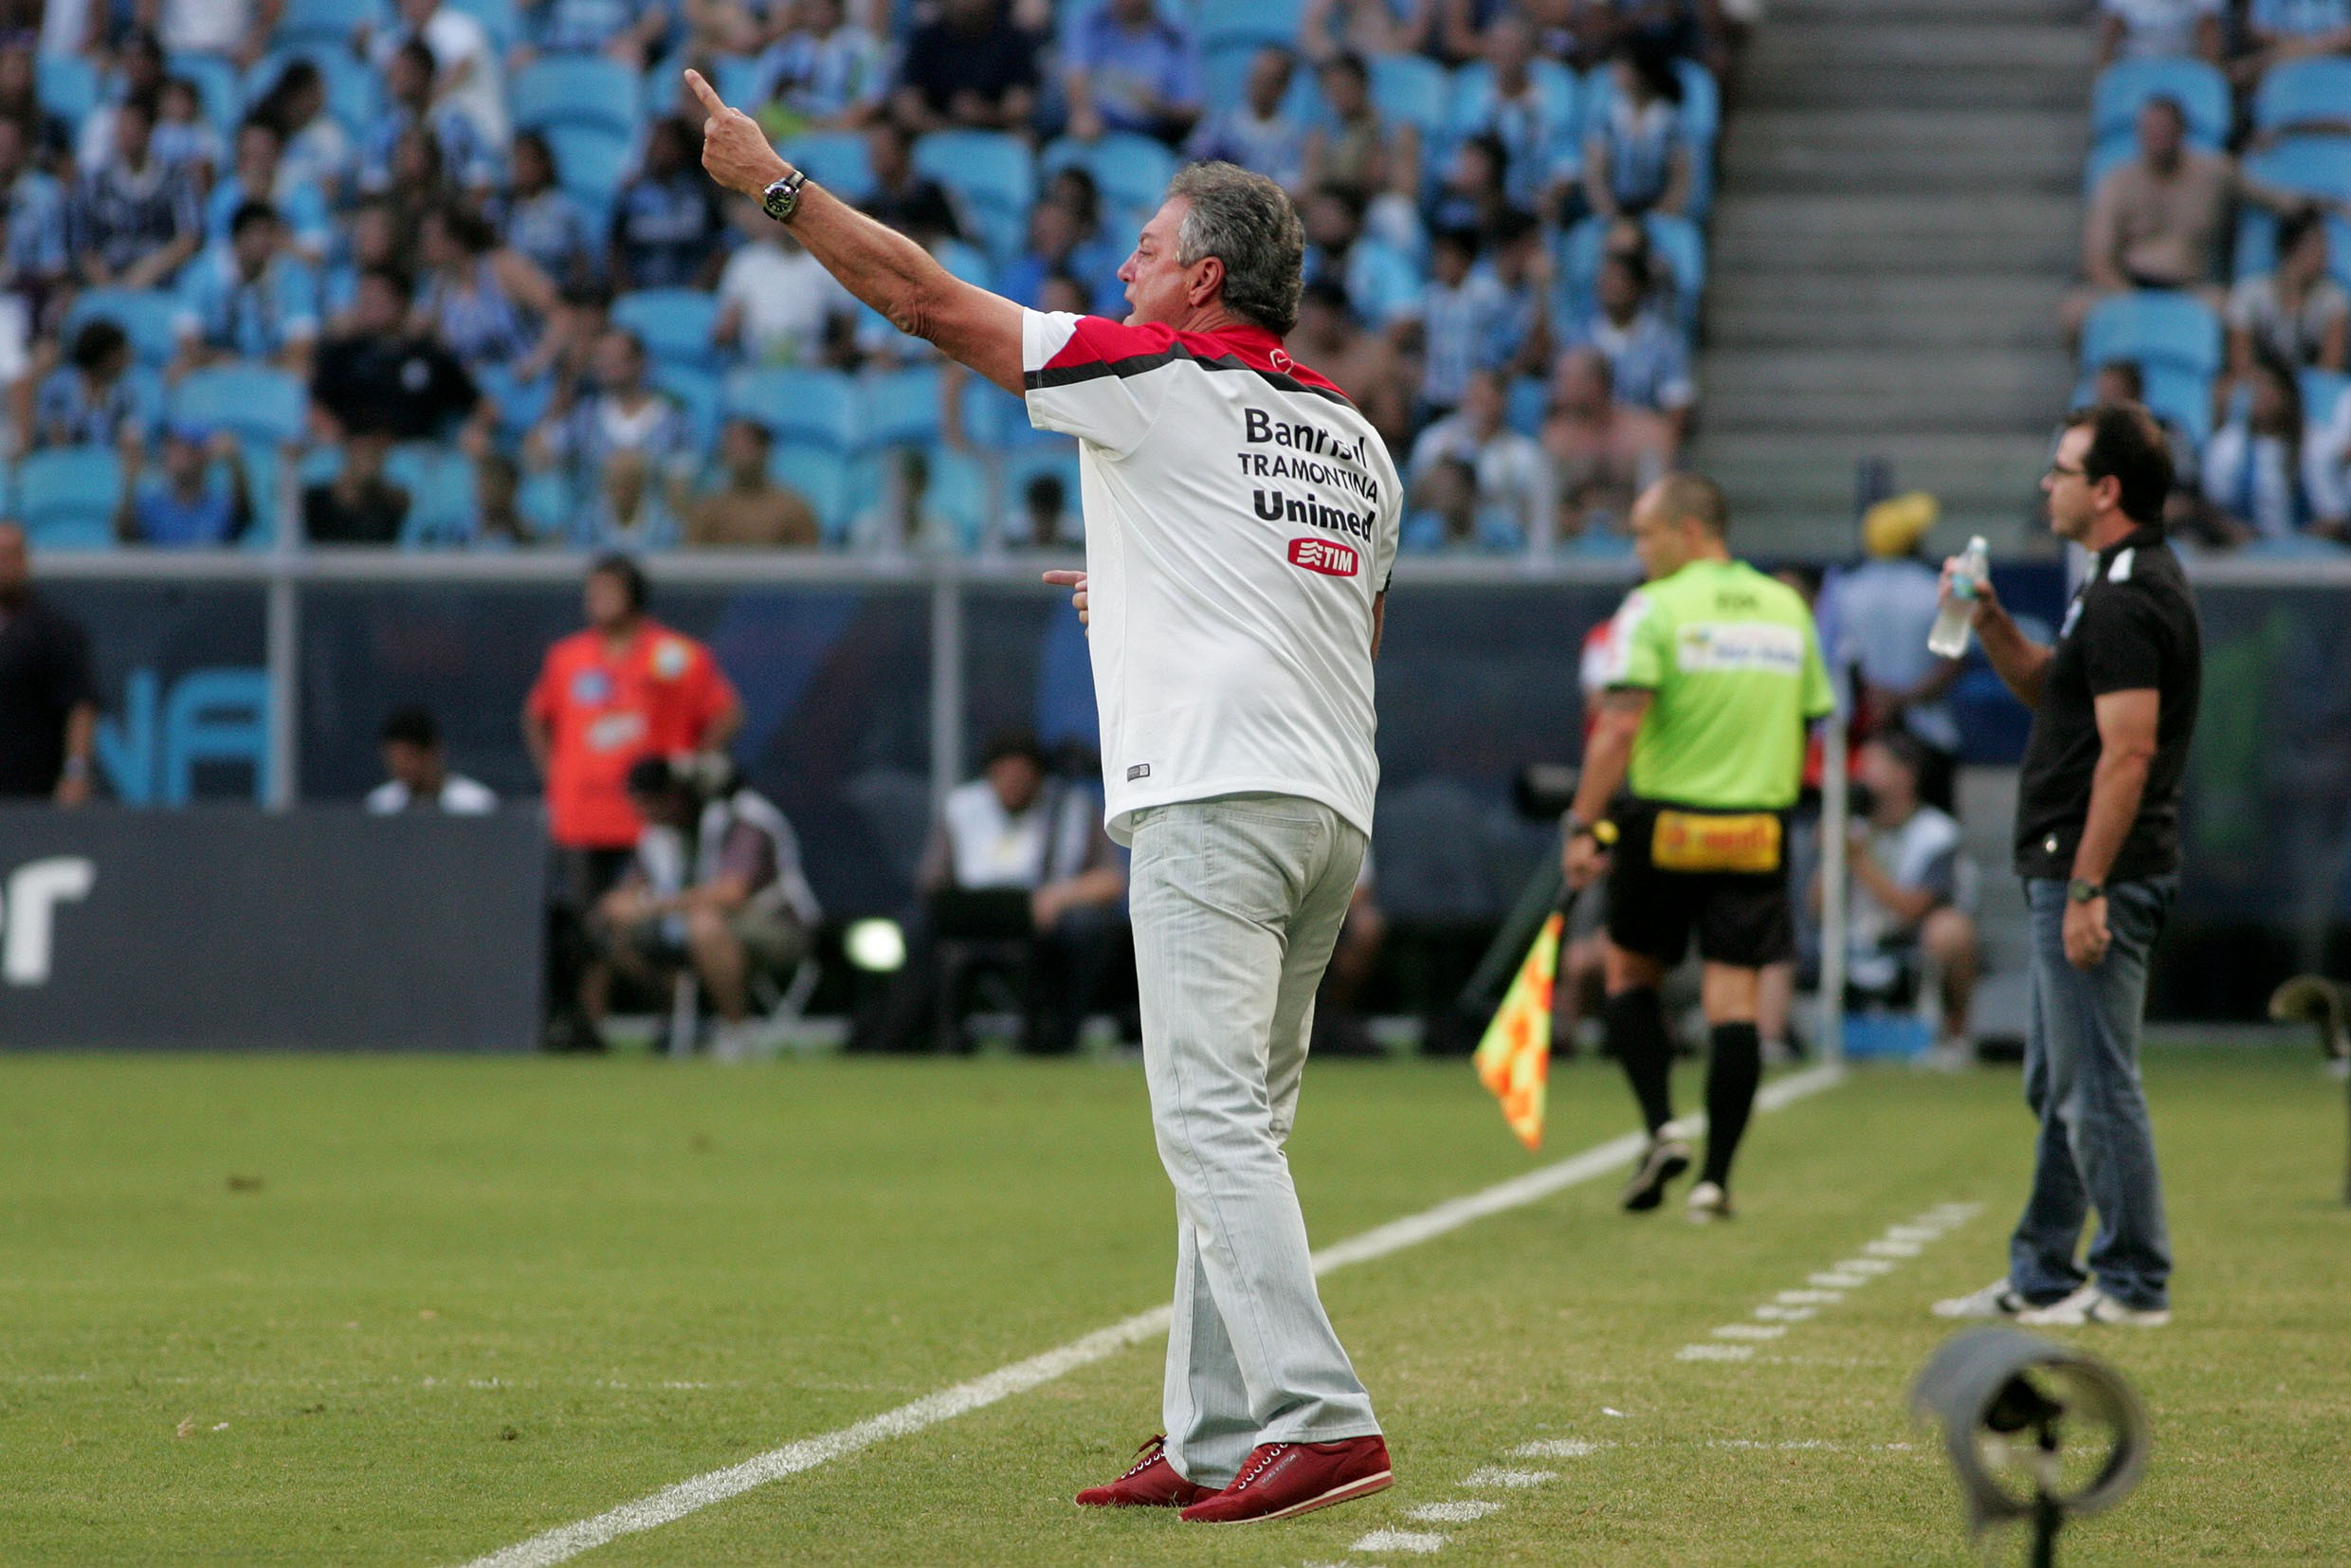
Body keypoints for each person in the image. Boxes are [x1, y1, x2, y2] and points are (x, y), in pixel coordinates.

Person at [692, 72, 1398, 1518]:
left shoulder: (1150, 372)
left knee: (1204, 1120)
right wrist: (1135, 600)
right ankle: (1210, 1431)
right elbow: (1341, 622)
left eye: (1145, 245)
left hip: (1211, 797)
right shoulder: (1355, 438)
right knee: (1241, 1125)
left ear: (1201, 277)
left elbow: (924, 303)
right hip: (1325, 804)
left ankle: (1322, 1414)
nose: (1123, 263)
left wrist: (775, 184)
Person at [1932, 403, 2200, 1329]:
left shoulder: (2130, 596)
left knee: (2095, 1083)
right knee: (2059, 1081)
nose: (2044, 485)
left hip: (2097, 873)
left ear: (2106, 489)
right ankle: (2043, 1269)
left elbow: (2125, 755)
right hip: (2070, 866)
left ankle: (2130, 1280)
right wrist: (1992, 621)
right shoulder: (2110, 582)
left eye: (2059, 470)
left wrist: (2087, 883)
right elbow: (2056, 688)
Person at [1560, 473, 1835, 1222]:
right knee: (1734, 1002)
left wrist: (1584, 822)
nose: (1639, 550)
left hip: (1665, 825)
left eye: (1646, 533)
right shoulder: (1788, 610)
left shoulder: (1655, 608)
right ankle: (1715, 1182)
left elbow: (1618, 726)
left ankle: (1661, 1127)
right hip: (1755, 829)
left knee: (1627, 975)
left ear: (1689, 531)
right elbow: (1811, 717)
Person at [524, 554, 743, 1045]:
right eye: (591, 589)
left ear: (635, 595)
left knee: (654, 930)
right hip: (582, 819)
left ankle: (674, 1024)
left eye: (608, 589)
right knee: (589, 931)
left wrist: (688, 771)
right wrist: (555, 775)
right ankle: (586, 1030)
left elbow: (726, 713)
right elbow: (536, 717)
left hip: (651, 823)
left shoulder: (674, 656)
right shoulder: (567, 657)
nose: (595, 599)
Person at [856, 731, 1127, 1054]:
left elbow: (1111, 880)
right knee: (916, 926)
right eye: (1004, 776)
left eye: (1022, 776)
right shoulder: (963, 807)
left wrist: (1059, 897)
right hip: (976, 914)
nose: (1012, 784)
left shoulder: (1073, 809)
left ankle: (1058, 1037)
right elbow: (931, 881)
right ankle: (909, 1032)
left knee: (1086, 930)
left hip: (1049, 917)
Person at [595, 754, 822, 1060]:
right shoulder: (657, 834)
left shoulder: (744, 819)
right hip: (694, 934)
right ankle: (673, 1022)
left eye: (651, 803)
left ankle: (738, 1032)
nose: (644, 813)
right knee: (615, 930)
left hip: (780, 928)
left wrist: (652, 905)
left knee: (705, 925)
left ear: (675, 796)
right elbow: (624, 896)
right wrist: (623, 905)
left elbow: (732, 894)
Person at [1837, 733, 1981, 1061]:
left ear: (1906, 775)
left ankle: (1956, 1037)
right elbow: (1816, 908)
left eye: (1875, 765)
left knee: (1952, 930)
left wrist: (1859, 862)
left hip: (1912, 939)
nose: (1864, 775)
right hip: (1858, 935)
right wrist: (1833, 859)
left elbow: (1914, 908)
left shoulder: (1938, 832)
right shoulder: (1852, 828)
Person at [1828, 491, 1963, 806]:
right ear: (1914, 542)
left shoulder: (1844, 592)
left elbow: (1840, 660)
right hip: (1930, 734)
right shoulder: (1944, 589)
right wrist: (1906, 698)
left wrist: (1877, 698)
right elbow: (1955, 663)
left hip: (1864, 734)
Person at [0, 522, 98, 804]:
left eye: (12, 554)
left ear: (25, 561)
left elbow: (80, 705)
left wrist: (76, 773)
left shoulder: (53, 630)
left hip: (30, 790)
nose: (4, 563)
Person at [888, 0, 1042, 136]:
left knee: (1023, 137)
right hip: (935, 134)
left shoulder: (1014, 41)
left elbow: (1019, 107)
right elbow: (908, 108)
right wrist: (950, 127)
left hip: (996, 133)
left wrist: (983, 114)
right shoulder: (924, 40)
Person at [1064, 0, 1202, 147]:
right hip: (1093, 134)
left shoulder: (1174, 38)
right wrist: (1082, 113)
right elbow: (1075, 72)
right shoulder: (1090, 20)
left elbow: (1193, 109)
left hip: (1150, 138)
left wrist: (1157, 107)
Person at [682, 417, 821, 547]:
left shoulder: (793, 510)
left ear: (764, 450)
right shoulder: (708, 510)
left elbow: (811, 566)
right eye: (730, 445)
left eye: (744, 445)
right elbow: (688, 563)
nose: (736, 453)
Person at [118, 425, 253, 548]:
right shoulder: (149, 506)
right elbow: (125, 535)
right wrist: (130, 480)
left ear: (204, 456)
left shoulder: (221, 506)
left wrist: (234, 463)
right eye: (174, 447)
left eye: (189, 449)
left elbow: (243, 518)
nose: (179, 456)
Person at [368, 704, 498, 813]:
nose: (402, 768)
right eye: (394, 761)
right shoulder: (380, 806)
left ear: (432, 752)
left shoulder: (476, 804)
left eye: (408, 758)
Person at [303, 428, 412, 545]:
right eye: (368, 454)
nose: (374, 461)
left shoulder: (391, 502)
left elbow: (401, 502)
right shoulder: (315, 499)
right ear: (351, 453)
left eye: (377, 455)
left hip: (375, 561)